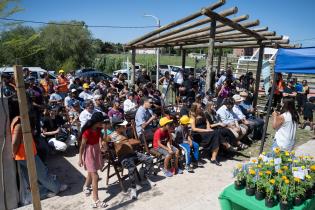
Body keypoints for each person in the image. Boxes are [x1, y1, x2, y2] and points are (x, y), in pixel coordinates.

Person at [11, 116, 67, 202]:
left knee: (30, 178)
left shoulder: (15, 122)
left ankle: (43, 193)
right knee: (42, 173)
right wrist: (13, 153)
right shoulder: (19, 124)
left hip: (22, 156)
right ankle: (57, 187)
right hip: (27, 155)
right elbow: (15, 142)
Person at [108, 117, 155, 199]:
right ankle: (133, 188)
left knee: (149, 159)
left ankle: (144, 176)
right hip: (123, 157)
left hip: (132, 153)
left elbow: (129, 142)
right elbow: (104, 141)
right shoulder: (113, 135)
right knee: (132, 167)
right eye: (122, 126)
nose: (125, 127)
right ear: (116, 127)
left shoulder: (124, 132)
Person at [78, 112, 107, 208]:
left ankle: (86, 186)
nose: (102, 123)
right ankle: (96, 200)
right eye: (101, 122)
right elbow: (82, 146)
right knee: (95, 176)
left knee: (91, 172)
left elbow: (102, 139)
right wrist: (80, 158)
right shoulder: (87, 132)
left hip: (96, 151)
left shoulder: (99, 129)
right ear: (96, 122)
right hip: (89, 153)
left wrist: (102, 142)